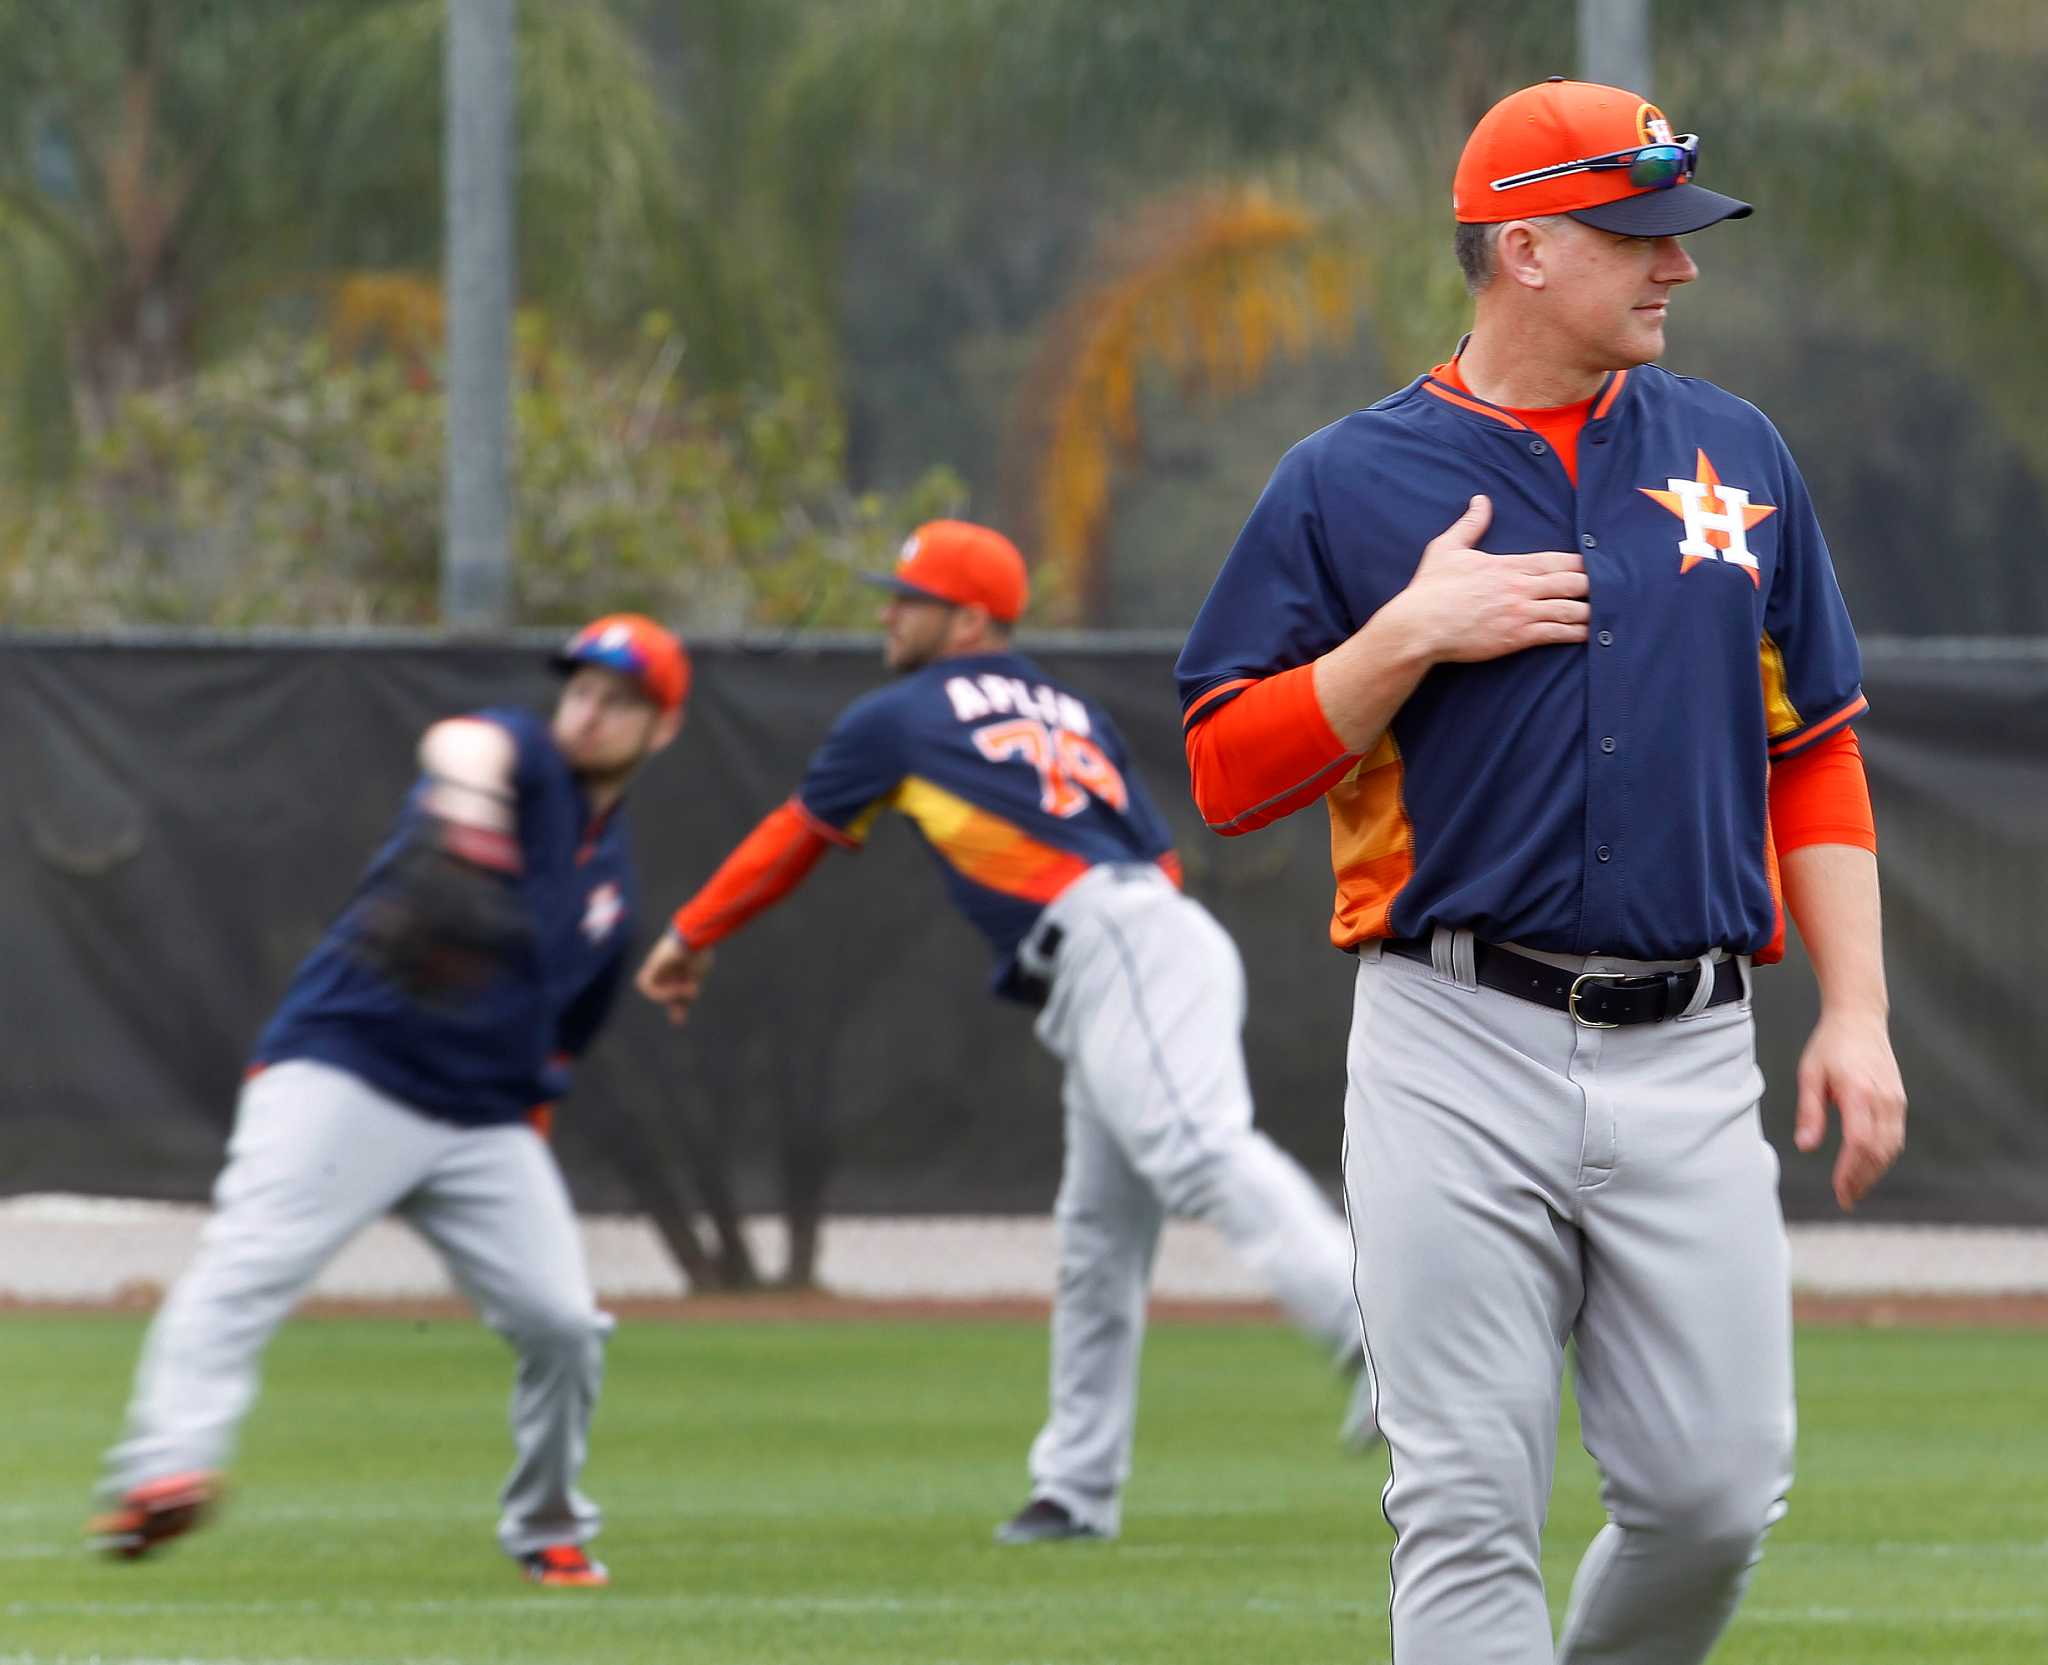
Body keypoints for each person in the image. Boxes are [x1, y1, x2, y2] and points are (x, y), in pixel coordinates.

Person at [1175, 78, 1907, 1664]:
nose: (1679, 267)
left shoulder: (1739, 452)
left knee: (1716, 1496)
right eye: (1638, 234)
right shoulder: (1345, 481)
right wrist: (1401, 640)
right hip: (1454, 1039)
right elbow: (1227, 774)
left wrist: (1857, 1013)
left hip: (1697, 1044)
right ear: (1521, 250)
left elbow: (1818, 747)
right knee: (1466, 1500)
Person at [635, 519, 1375, 1545]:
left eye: (908, 597)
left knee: (1194, 1150)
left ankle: (1377, 1339)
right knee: (1096, 1241)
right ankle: (1074, 1491)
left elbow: (790, 840)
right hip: (1140, 935)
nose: (888, 612)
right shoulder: (1070, 708)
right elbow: (1158, 860)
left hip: (1112, 943)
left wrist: (688, 932)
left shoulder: (898, 715)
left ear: (969, 617)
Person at [90, 615, 690, 1589]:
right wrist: (466, 807)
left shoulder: (610, 887)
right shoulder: (523, 761)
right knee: (248, 1265)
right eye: (581, 688)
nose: (589, 710)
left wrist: (522, 1130)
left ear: (660, 729)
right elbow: (464, 740)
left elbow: (565, 1035)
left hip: (479, 1120)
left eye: (619, 699)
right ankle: (164, 1470)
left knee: (562, 1325)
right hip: (345, 1071)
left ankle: (547, 1525)